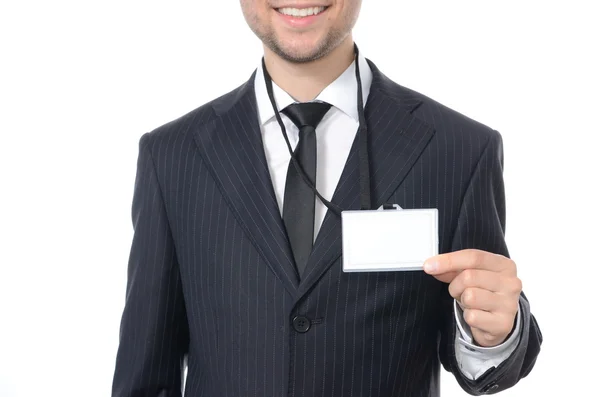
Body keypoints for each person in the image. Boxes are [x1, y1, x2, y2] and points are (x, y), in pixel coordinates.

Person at [111, 1, 542, 396]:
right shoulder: (172, 156)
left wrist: (493, 335)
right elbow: (146, 374)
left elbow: (482, 346)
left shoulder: (459, 149)